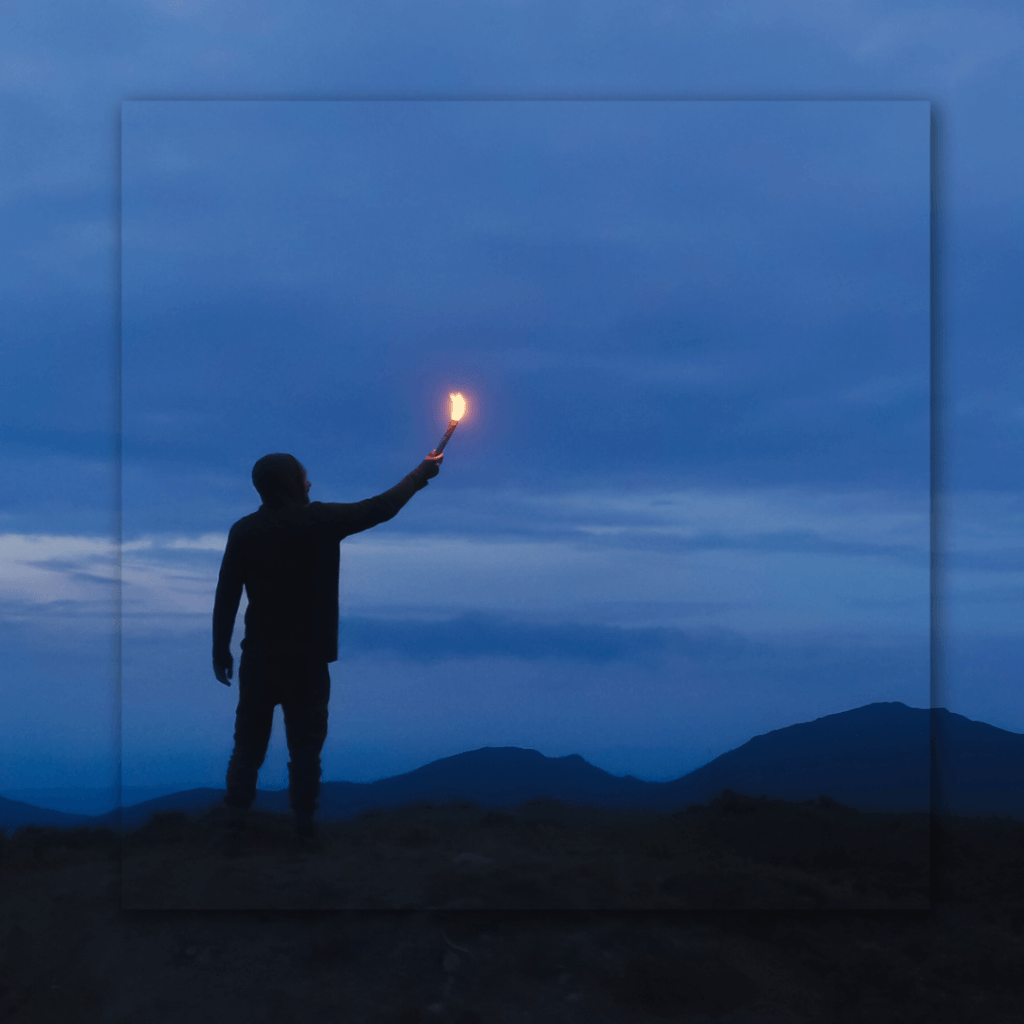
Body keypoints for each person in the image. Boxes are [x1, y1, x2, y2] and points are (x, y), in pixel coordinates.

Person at [212, 448, 443, 854]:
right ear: (290, 483)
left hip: (259, 657)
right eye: (304, 477)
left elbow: (227, 595)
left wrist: (220, 649)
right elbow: (381, 508)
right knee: (305, 747)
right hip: (307, 658)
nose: (310, 483)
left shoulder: (244, 531)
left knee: (248, 743)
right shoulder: (317, 521)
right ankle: (304, 832)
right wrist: (420, 474)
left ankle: (233, 829)